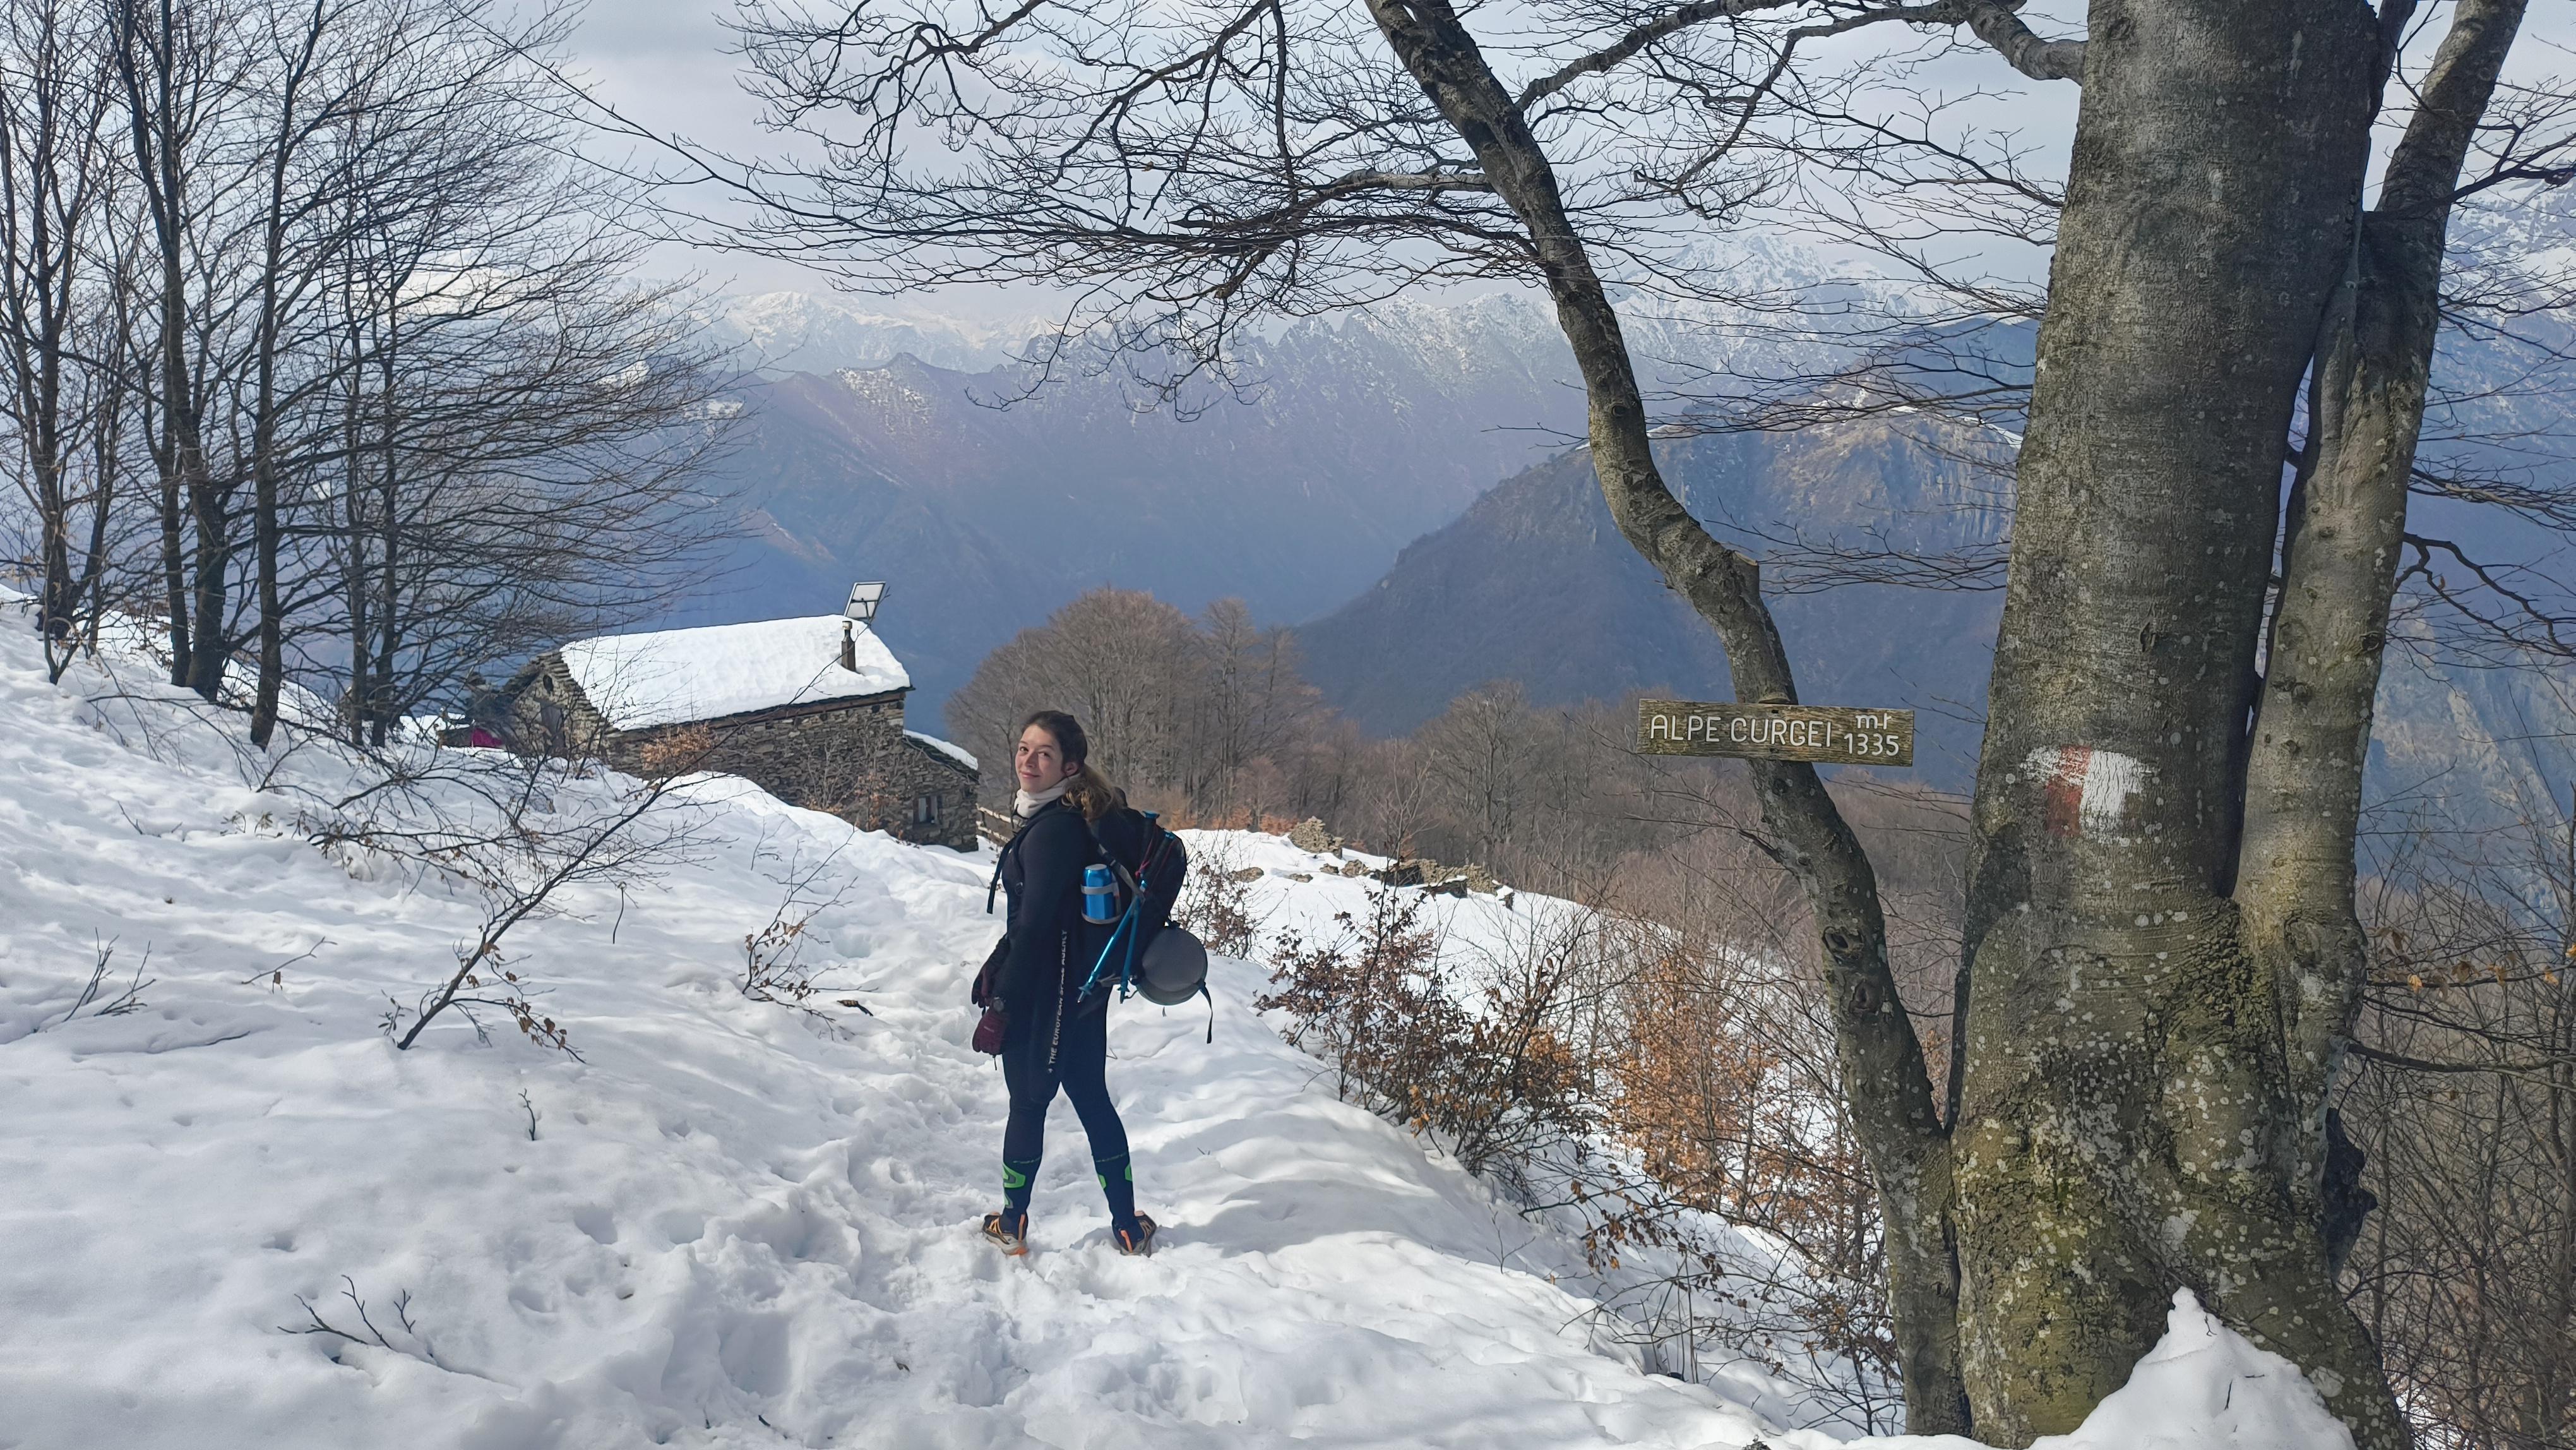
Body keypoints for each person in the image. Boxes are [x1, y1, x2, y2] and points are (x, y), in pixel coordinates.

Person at [980, 709, 1157, 1257]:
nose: (1028, 762)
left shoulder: (1052, 831)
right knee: (1092, 1100)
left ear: (1070, 766)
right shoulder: (1064, 819)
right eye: (1024, 749)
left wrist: (1003, 1002)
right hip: (1079, 991)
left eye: (1044, 754)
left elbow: (1034, 927)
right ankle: (1128, 1225)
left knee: (1028, 1105)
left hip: (1044, 997)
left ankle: (1011, 1224)